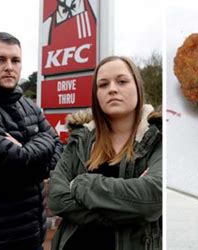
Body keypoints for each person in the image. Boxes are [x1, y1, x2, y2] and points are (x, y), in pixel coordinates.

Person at [0, 32, 63, 249]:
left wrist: (31, 149)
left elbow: (60, 152)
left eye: (15, 60)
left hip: (32, 236)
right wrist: (43, 141)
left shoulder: (28, 105)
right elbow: (16, 163)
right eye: (0, 60)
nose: (9, 66)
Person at [49, 56, 162, 250]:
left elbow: (152, 199)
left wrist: (81, 184)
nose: (112, 89)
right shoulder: (80, 138)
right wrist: (128, 210)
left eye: (122, 81)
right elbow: (58, 199)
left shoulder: (157, 138)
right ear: (96, 94)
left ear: (138, 86)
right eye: (103, 84)